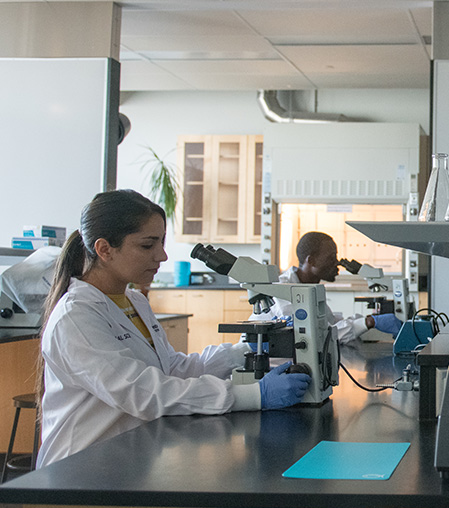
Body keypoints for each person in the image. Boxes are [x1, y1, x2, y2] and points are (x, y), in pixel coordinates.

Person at [37, 190, 310, 468]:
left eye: (162, 242)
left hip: (128, 457)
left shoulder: (133, 301)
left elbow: (171, 369)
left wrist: (240, 353)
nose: (162, 255)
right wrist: (254, 395)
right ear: (104, 249)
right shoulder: (76, 316)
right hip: (79, 468)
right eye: (148, 245)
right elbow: (143, 392)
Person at [248, 231, 402, 342]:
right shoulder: (284, 290)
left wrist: (370, 320)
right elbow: (317, 335)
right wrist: (369, 322)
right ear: (312, 261)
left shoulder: (311, 288)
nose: (337, 263)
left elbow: (331, 323)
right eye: (331, 258)